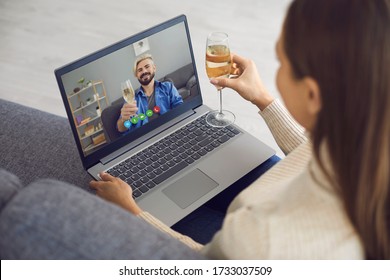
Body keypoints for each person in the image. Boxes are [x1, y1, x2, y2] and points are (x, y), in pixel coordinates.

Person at [90, 0, 390, 259]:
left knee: (174, 209)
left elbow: (199, 262)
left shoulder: (258, 241)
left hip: (246, 240)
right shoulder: (368, 137)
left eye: (280, 61)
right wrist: (261, 97)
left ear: (312, 95)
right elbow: (317, 154)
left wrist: (132, 212)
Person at [117, 53, 183, 133]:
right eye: (140, 70)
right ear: (136, 75)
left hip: (170, 130)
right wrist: (124, 119)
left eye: (147, 67)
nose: (144, 71)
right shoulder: (131, 99)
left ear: (154, 68)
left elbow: (181, 109)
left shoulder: (168, 87)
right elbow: (121, 128)